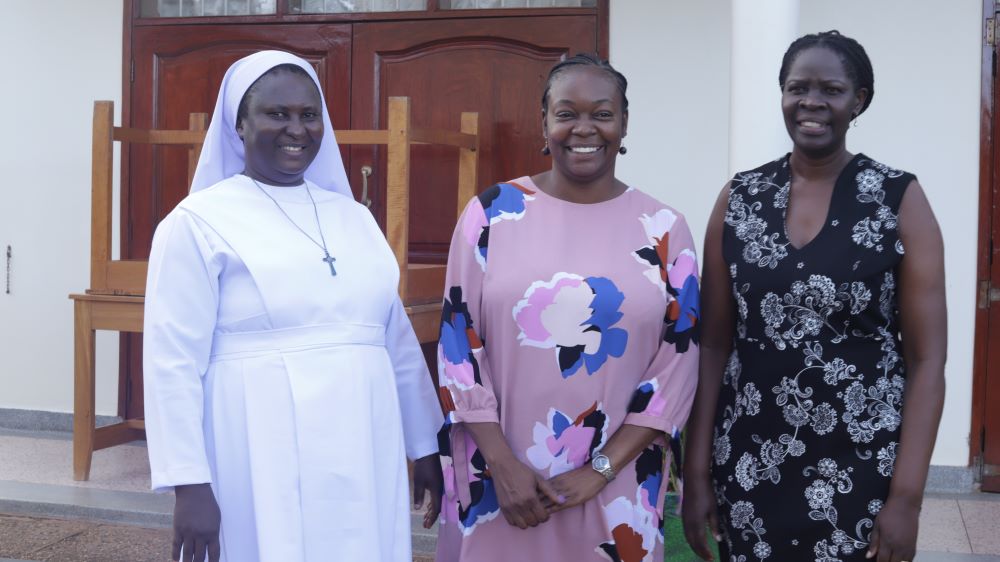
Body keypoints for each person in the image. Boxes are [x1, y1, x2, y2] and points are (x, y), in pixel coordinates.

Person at [142, 50, 444, 562]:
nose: (295, 129)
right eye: (276, 114)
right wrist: (188, 482)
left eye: (308, 115)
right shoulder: (195, 223)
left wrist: (426, 442)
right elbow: (172, 361)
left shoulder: (353, 218)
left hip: (362, 436)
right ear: (239, 124)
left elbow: (390, 336)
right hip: (257, 439)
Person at [681, 31, 946, 562]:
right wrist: (696, 472)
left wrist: (907, 499)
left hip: (861, 472)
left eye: (832, 89)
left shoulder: (897, 198)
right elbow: (711, 346)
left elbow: (927, 359)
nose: (812, 103)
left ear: (859, 101)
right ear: (782, 94)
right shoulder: (740, 198)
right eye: (797, 87)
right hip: (750, 463)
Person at [433, 53, 700, 562]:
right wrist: (502, 465)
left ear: (624, 125)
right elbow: (457, 344)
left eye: (602, 114)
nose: (585, 129)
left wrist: (598, 471)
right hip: (501, 483)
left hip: (619, 483)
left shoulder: (665, 228)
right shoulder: (491, 213)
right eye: (566, 113)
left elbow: (678, 366)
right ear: (545, 123)